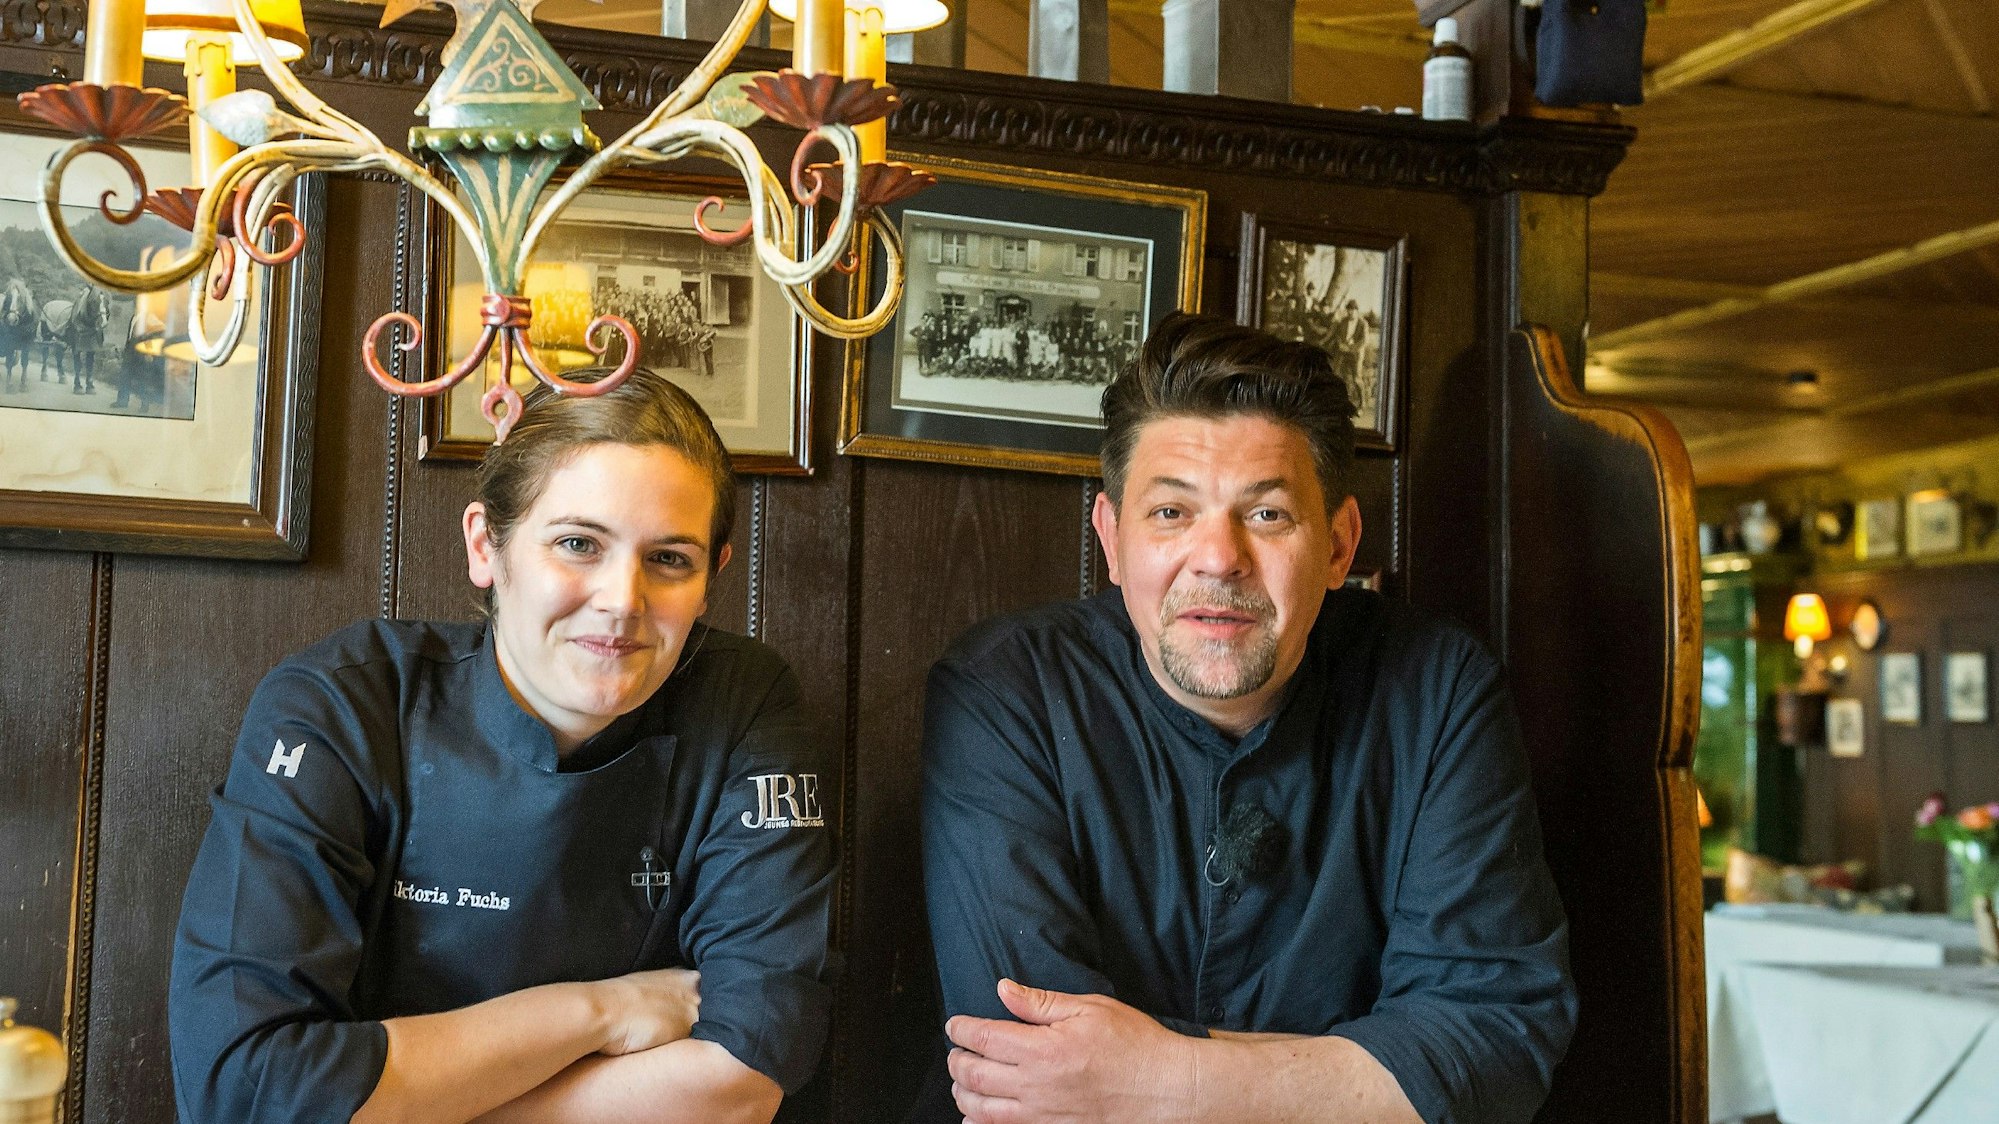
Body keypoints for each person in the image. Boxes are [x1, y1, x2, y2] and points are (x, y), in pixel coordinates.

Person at [921, 313, 1574, 1124]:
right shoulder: (1005, 690)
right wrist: (1356, 1073)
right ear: (1112, 539)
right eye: (1170, 513)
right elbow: (1024, 1060)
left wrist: (1163, 1080)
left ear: (1338, 546)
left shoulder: (1439, 690)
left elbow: (1494, 1041)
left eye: (1266, 515)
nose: (1218, 556)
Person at [169, 369, 834, 1124]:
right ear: (488, 546)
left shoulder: (743, 701)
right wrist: (599, 1011)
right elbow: (246, 1092)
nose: (622, 599)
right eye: (579, 543)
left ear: (711, 577)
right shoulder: (343, 703)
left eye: (668, 559)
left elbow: (744, 1075)